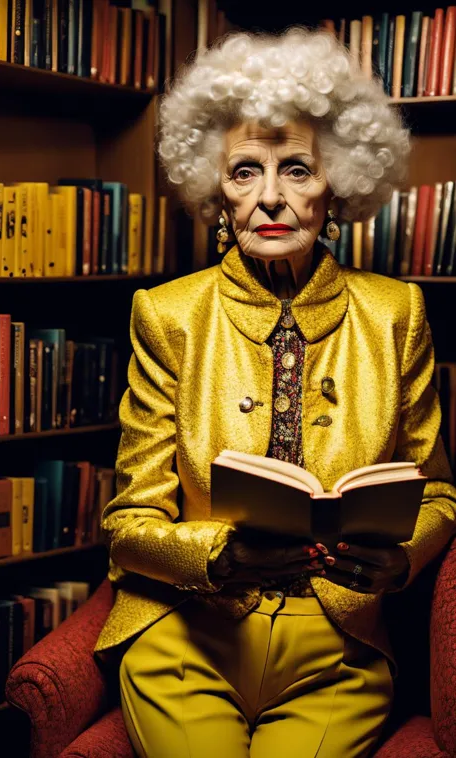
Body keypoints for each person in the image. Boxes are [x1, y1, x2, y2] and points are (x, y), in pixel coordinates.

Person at [94, 28, 456, 758]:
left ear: (339, 182)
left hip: (338, 652)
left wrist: (404, 557)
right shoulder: (166, 315)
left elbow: (441, 496)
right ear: (213, 187)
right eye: (244, 172)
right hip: (184, 635)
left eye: (296, 169)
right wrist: (219, 558)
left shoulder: (396, 313)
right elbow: (129, 520)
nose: (269, 199)